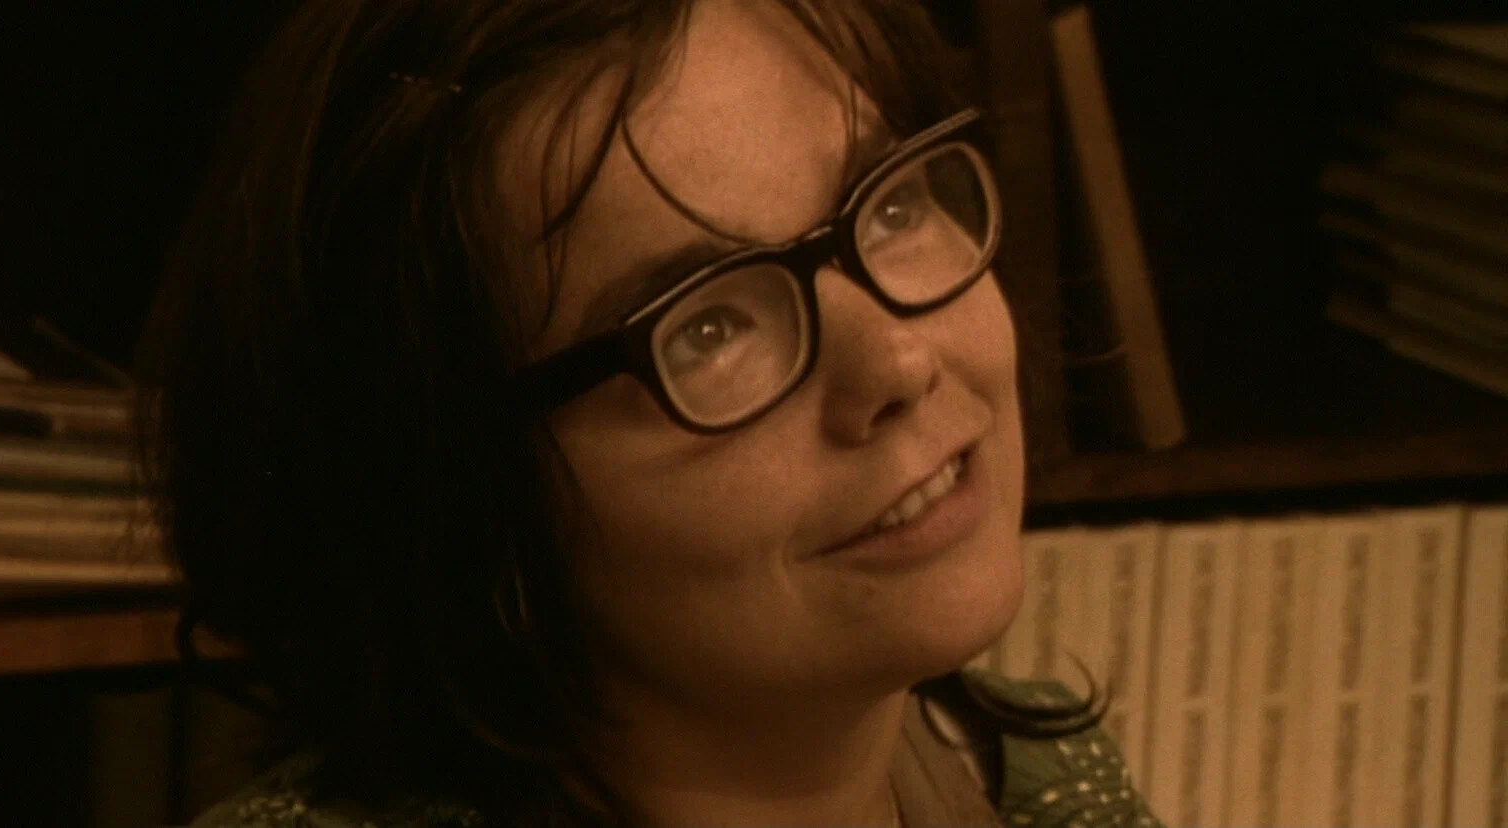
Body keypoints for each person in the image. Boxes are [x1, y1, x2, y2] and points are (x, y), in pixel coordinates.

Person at [138, 0, 1162, 825]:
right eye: (708, 327)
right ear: (458, 498)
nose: (898, 358)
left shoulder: (1043, 779)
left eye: (891, 207)